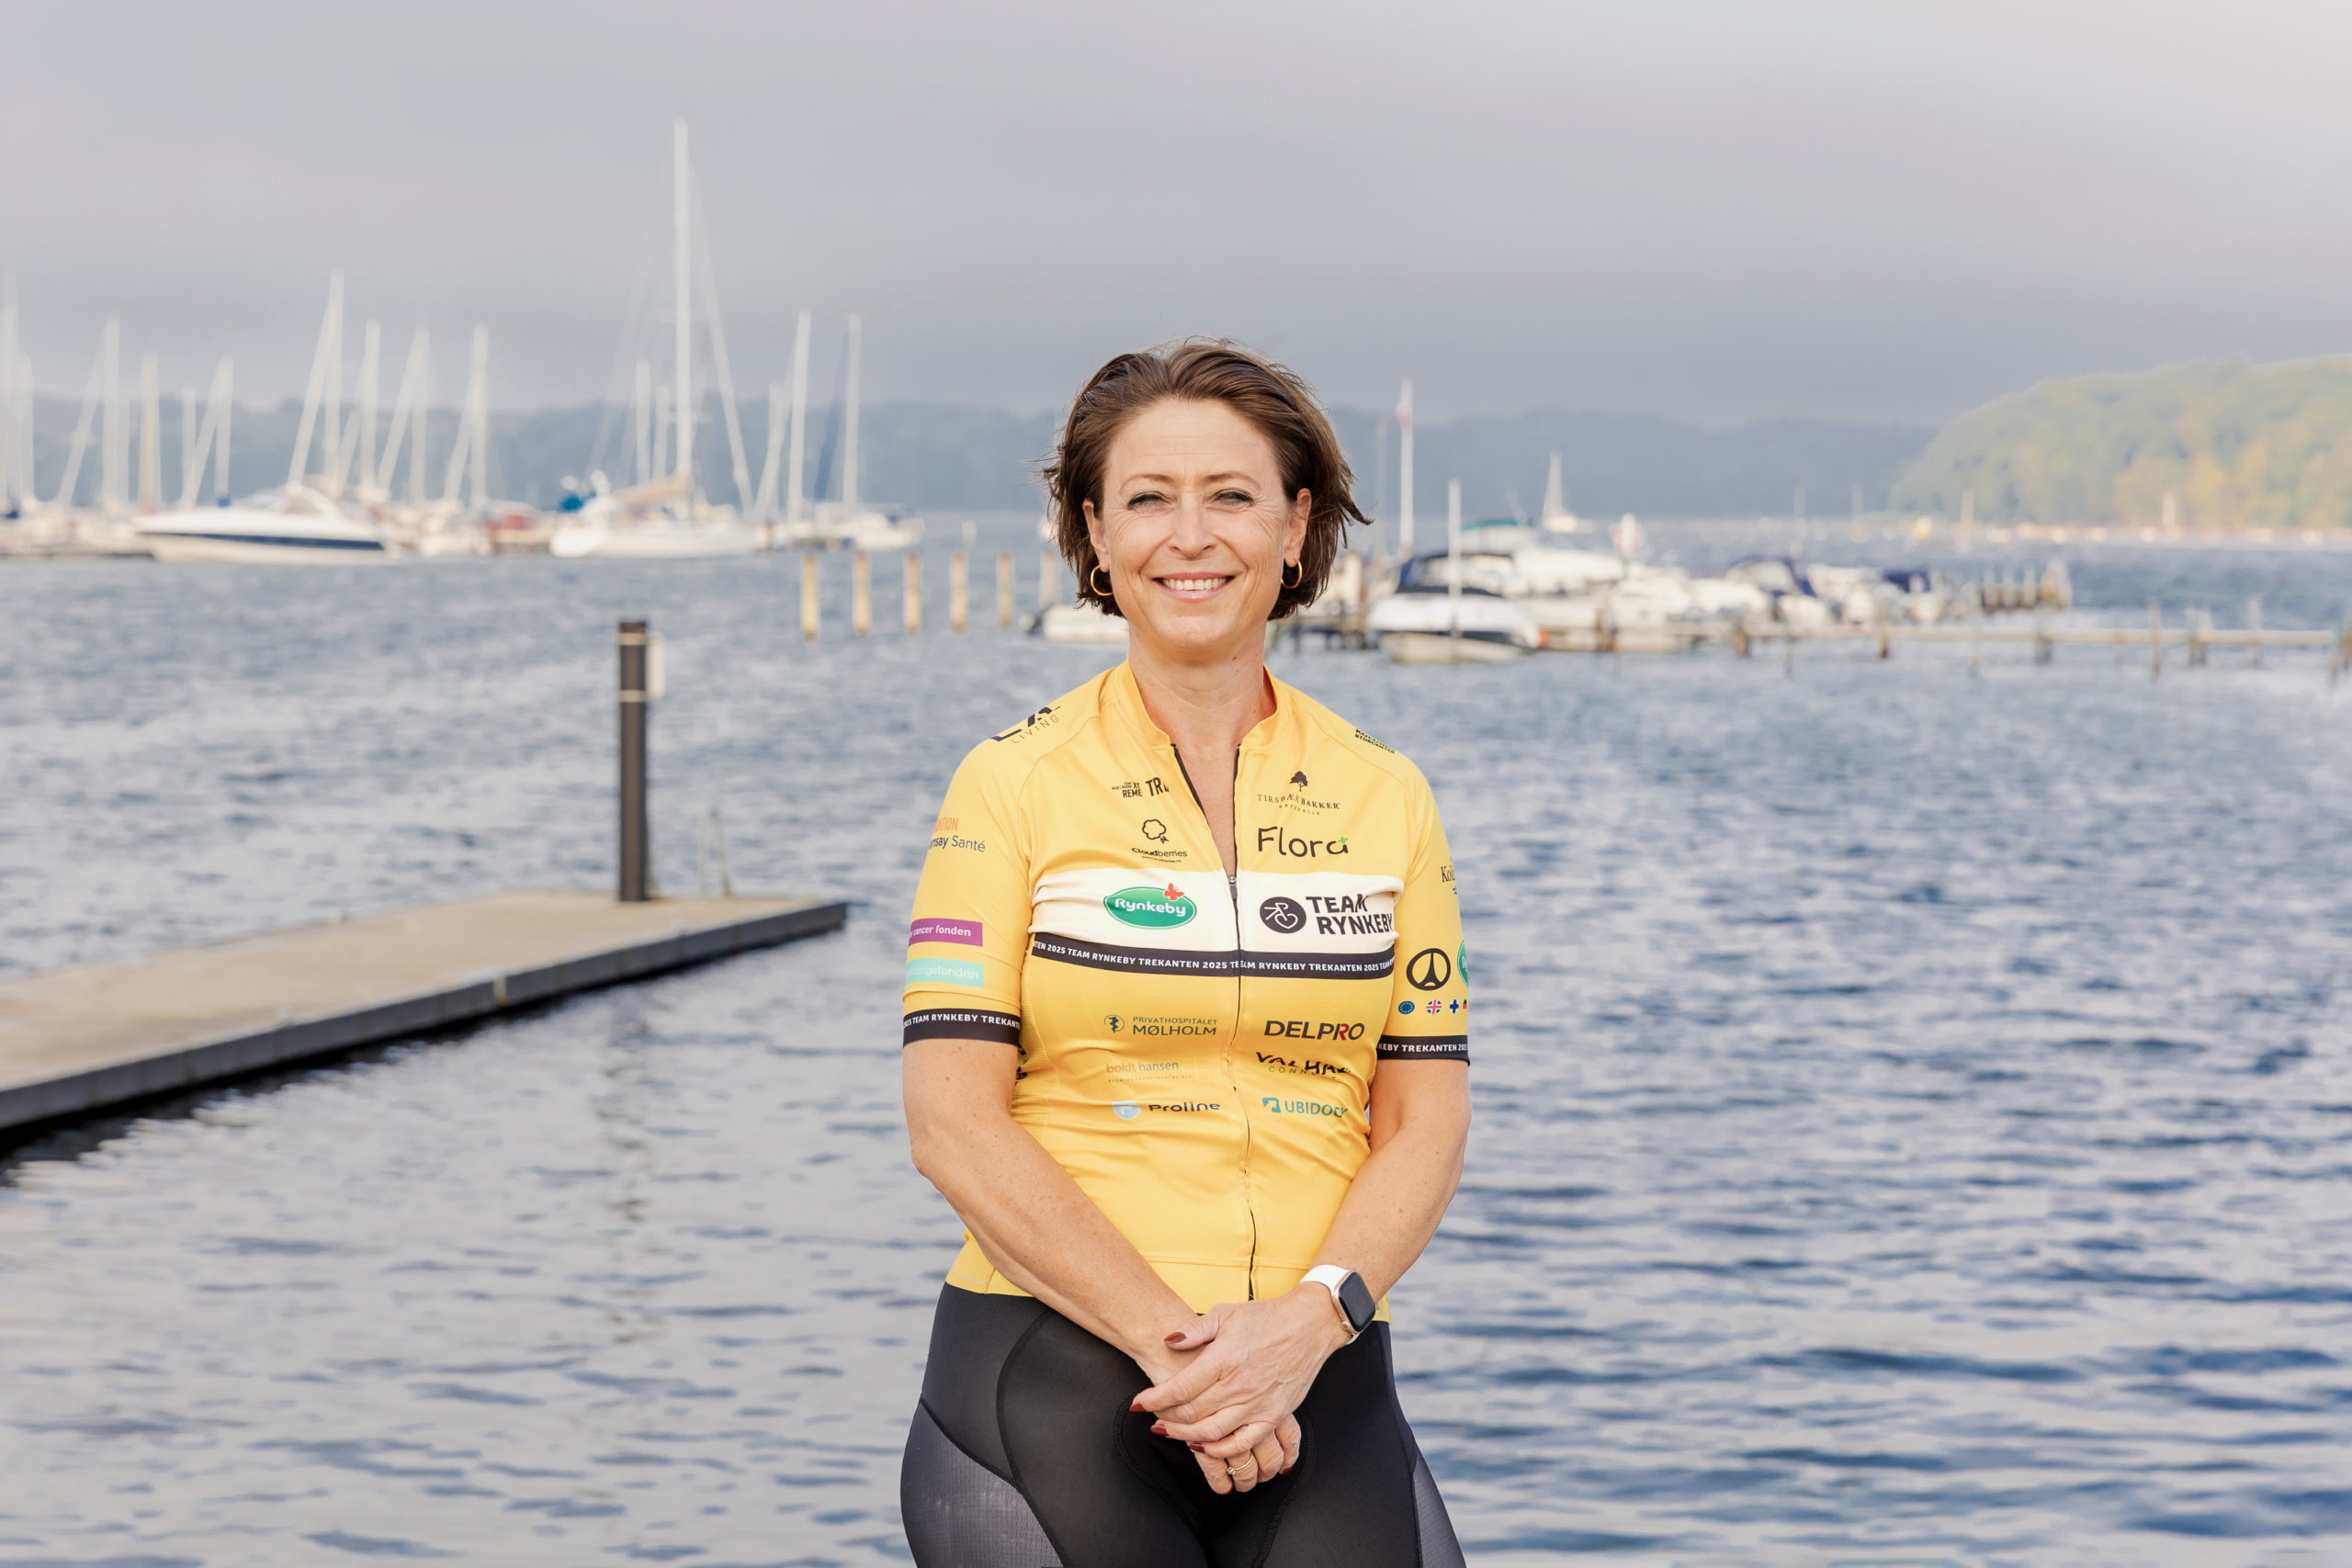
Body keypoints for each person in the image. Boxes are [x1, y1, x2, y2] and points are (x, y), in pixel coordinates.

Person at [898, 340, 1472, 1567]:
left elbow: (1425, 1120)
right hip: (1055, 1384)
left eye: (1232, 495)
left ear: (1296, 526)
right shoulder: (1010, 784)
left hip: (1319, 1377)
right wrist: (1192, 1355)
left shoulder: (1388, 796)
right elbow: (950, 1121)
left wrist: (1307, 1329)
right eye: (1149, 498)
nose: (1191, 535)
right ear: (1095, 534)